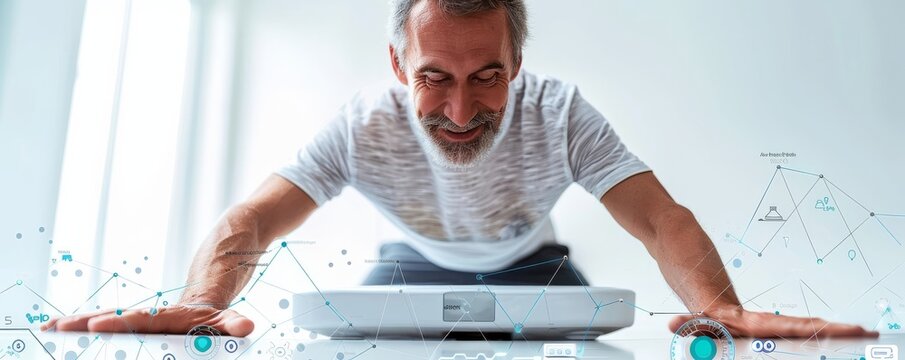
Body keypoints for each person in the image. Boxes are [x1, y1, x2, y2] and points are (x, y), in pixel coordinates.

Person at [44, 0, 876, 339]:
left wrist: (720, 309)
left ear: (519, 63)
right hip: (402, 269)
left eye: (489, 77)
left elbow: (659, 217)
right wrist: (200, 305)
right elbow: (251, 222)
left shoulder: (560, 109)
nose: (460, 110)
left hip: (540, 271)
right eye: (434, 78)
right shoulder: (361, 124)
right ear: (399, 65)